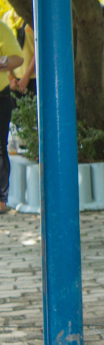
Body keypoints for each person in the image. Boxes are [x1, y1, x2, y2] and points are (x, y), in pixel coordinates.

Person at [0, 21, 23, 214]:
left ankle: (1, 200)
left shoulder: (1, 28)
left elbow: (18, 59)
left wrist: (1, 62)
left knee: (0, 146)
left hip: (0, 95)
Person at [3, 10, 36, 96]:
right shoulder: (7, 17)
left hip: (33, 77)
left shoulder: (33, 15)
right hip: (14, 81)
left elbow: (39, 50)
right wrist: (10, 77)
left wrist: (26, 76)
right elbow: (4, 50)